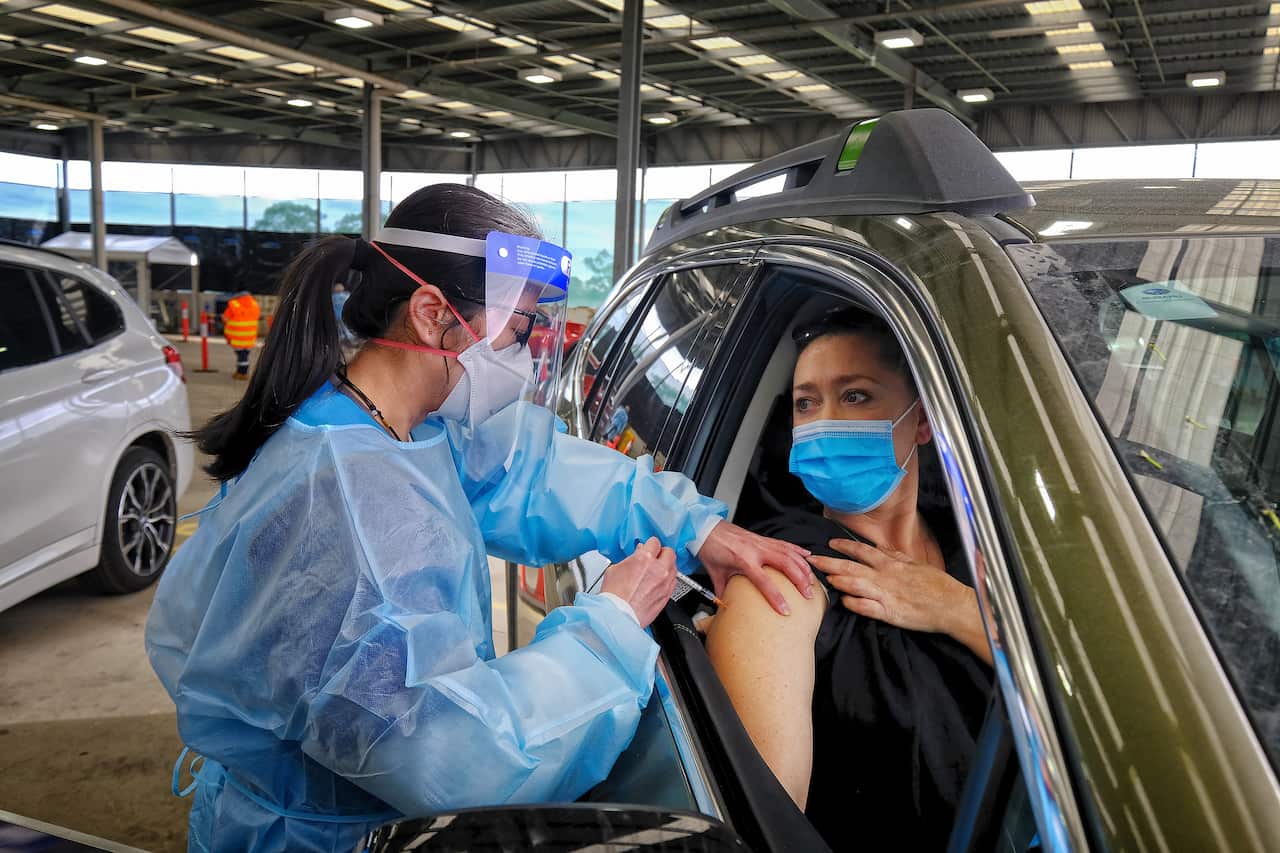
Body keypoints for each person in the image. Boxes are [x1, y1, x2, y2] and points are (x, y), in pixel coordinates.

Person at [148, 183, 814, 853]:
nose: (522, 362)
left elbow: (534, 469)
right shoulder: (347, 506)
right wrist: (606, 627)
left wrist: (693, 524)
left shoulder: (402, 425)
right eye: (516, 333)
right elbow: (453, 762)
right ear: (432, 314)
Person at [707, 307, 993, 851]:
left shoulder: (986, 549)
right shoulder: (781, 574)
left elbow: (1076, 700)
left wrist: (955, 608)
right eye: (806, 403)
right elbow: (770, 830)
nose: (823, 422)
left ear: (924, 419)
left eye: (856, 395)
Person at [222, 290, 260, 381]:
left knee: (242, 356)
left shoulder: (234, 305)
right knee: (244, 354)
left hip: (237, 337)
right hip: (250, 336)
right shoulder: (255, 305)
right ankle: (239, 371)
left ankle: (243, 373)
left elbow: (225, 318)